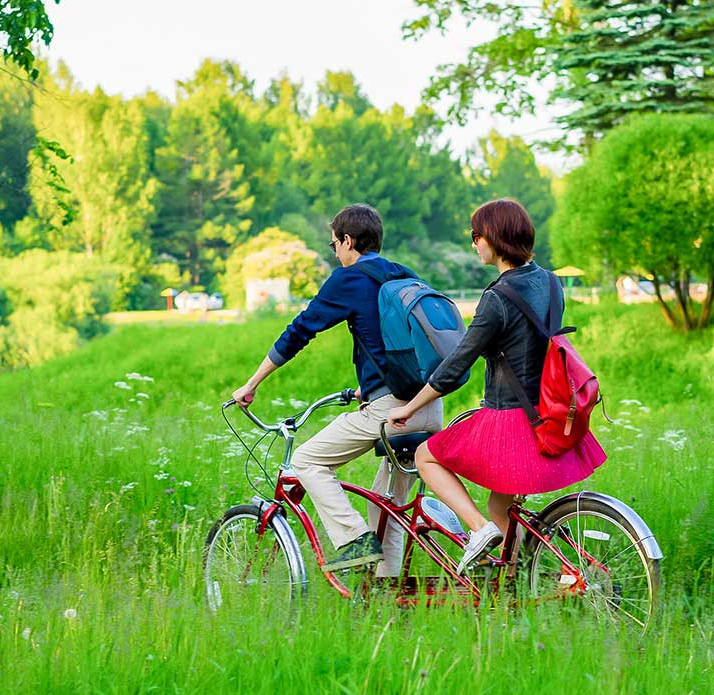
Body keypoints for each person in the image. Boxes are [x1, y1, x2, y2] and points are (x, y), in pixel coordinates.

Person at [388, 198, 607, 572]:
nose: (473, 243)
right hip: (548, 410)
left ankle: (477, 531)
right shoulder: (550, 282)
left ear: (494, 237)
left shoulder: (496, 299)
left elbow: (455, 365)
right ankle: (524, 577)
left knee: (426, 456)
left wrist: (408, 408)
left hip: (510, 420)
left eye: (477, 235)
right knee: (499, 506)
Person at [231, 203, 442, 574]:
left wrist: (252, 382)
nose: (336, 253)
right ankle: (385, 592)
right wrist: (370, 385)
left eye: (334, 245)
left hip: (391, 412)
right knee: (385, 506)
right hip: (428, 405)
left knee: (307, 461)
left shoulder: (350, 279)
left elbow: (300, 330)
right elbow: (394, 340)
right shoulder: (402, 274)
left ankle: (353, 541)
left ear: (348, 241)